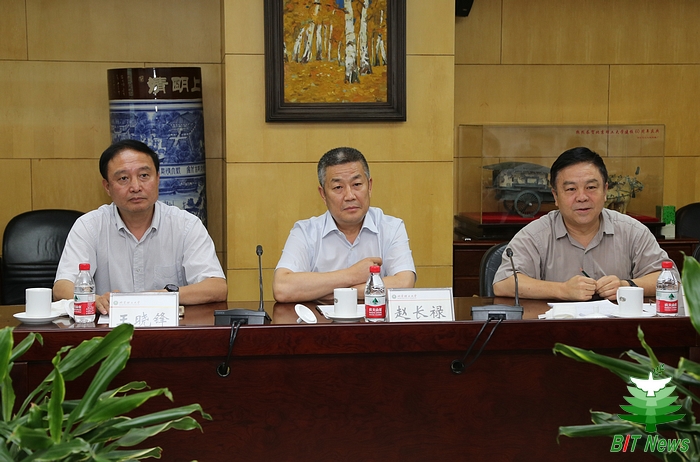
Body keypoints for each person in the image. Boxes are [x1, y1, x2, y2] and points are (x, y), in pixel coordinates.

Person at [53, 139, 227, 314]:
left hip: (169, 328)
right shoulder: (89, 226)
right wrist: (97, 300)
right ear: (107, 187)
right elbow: (61, 288)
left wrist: (163, 295)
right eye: (123, 178)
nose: (135, 187)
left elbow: (217, 287)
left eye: (144, 176)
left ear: (157, 178)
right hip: (110, 329)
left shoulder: (186, 225)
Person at [492, 146, 668, 301]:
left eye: (591, 187)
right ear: (555, 196)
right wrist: (562, 290)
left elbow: (667, 278)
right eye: (571, 189)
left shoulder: (632, 231)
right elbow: (503, 283)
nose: (582, 197)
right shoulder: (535, 235)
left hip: (617, 327)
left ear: (605, 191)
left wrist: (626, 286)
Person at [273, 147, 416, 303]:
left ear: (369, 186)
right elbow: (282, 288)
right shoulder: (305, 232)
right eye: (338, 187)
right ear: (323, 194)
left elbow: (404, 283)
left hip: (374, 318)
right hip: (320, 319)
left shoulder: (391, 228)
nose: (349, 196)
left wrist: (336, 292)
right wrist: (353, 274)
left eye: (357, 184)